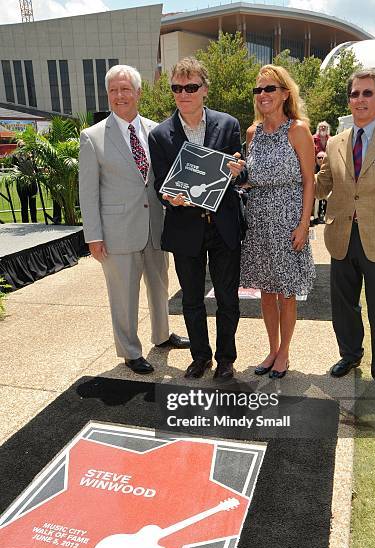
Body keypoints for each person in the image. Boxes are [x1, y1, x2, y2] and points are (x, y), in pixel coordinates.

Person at [79, 64, 189, 375]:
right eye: (113, 90)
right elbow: (87, 193)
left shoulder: (156, 131)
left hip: (155, 226)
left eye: (125, 89)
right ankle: (129, 351)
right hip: (117, 232)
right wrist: (94, 236)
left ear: (138, 93)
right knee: (123, 295)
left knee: (160, 285)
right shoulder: (93, 137)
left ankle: (162, 335)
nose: (119, 95)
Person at [149, 57, 245, 381]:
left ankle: (226, 359)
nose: (183, 93)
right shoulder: (160, 135)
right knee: (191, 300)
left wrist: (236, 171)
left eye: (191, 87)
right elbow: (162, 182)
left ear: (204, 89)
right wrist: (168, 195)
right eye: (177, 87)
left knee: (227, 299)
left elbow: (239, 173)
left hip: (223, 227)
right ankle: (201, 357)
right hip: (184, 227)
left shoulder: (229, 125)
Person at [315, 67, 375, 402]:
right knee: (343, 305)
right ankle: (350, 354)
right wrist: (306, 169)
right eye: (355, 93)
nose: (360, 99)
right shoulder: (337, 142)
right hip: (341, 235)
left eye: (368, 93)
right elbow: (324, 186)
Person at [240, 64, 315, 378]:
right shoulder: (252, 133)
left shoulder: (298, 129)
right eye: (258, 89)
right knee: (266, 292)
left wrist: (303, 224)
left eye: (269, 88)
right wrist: (238, 176)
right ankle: (272, 349)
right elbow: (248, 179)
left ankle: (284, 353)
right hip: (257, 219)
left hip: (287, 220)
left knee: (286, 292)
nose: (263, 95)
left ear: (285, 93)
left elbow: (309, 181)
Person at [13, 140, 38, 223]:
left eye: (24, 146)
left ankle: (34, 222)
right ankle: (25, 222)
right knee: (24, 205)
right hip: (21, 183)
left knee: (33, 204)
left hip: (32, 181)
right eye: (21, 146)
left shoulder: (32, 156)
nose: (23, 148)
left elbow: (36, 168)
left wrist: (30, 158)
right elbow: (14, 169)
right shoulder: (15, 157)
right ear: (18, 147)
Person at [312, 150, 327, 225]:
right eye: (319, 157)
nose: (321, 159)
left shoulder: (329, 168)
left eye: (323, 157)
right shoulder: (313, 168)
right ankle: (315, 217)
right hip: (316, 190)